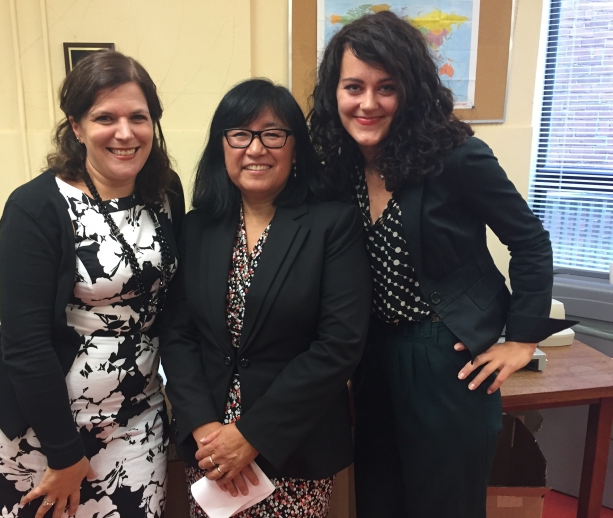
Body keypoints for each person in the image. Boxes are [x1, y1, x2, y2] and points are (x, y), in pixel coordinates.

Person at [309, 11, 574, 518]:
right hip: (371, 357)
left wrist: (521, 340)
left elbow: (531, 241)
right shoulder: (338, 165)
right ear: (334, 92)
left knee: (444, 506)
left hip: (445, 358)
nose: (368, 103)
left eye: (386, 87)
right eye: (353, 87)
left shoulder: (456, 157)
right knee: (380, 500)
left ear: (410, 90)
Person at [0, 50, 183, 518]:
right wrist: (65, 454)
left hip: (133, 423)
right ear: (75, 127)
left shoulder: (163, 191)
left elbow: (171, 303)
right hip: (40, 435)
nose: (125, 132)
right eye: (105, 117)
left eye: (139, 117)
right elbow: (26, 343)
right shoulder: (36, 206)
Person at [159, 78, 371, 517]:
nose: (255, 149)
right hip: (210, 447)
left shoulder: (332, 224)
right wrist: (204, 429)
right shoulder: (199, 227)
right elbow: (178, 334)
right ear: (222, 145)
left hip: (293, 444)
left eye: (273, 134)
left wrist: (251, 436)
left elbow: (339, 345)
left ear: (295, 147)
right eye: (240, 134)